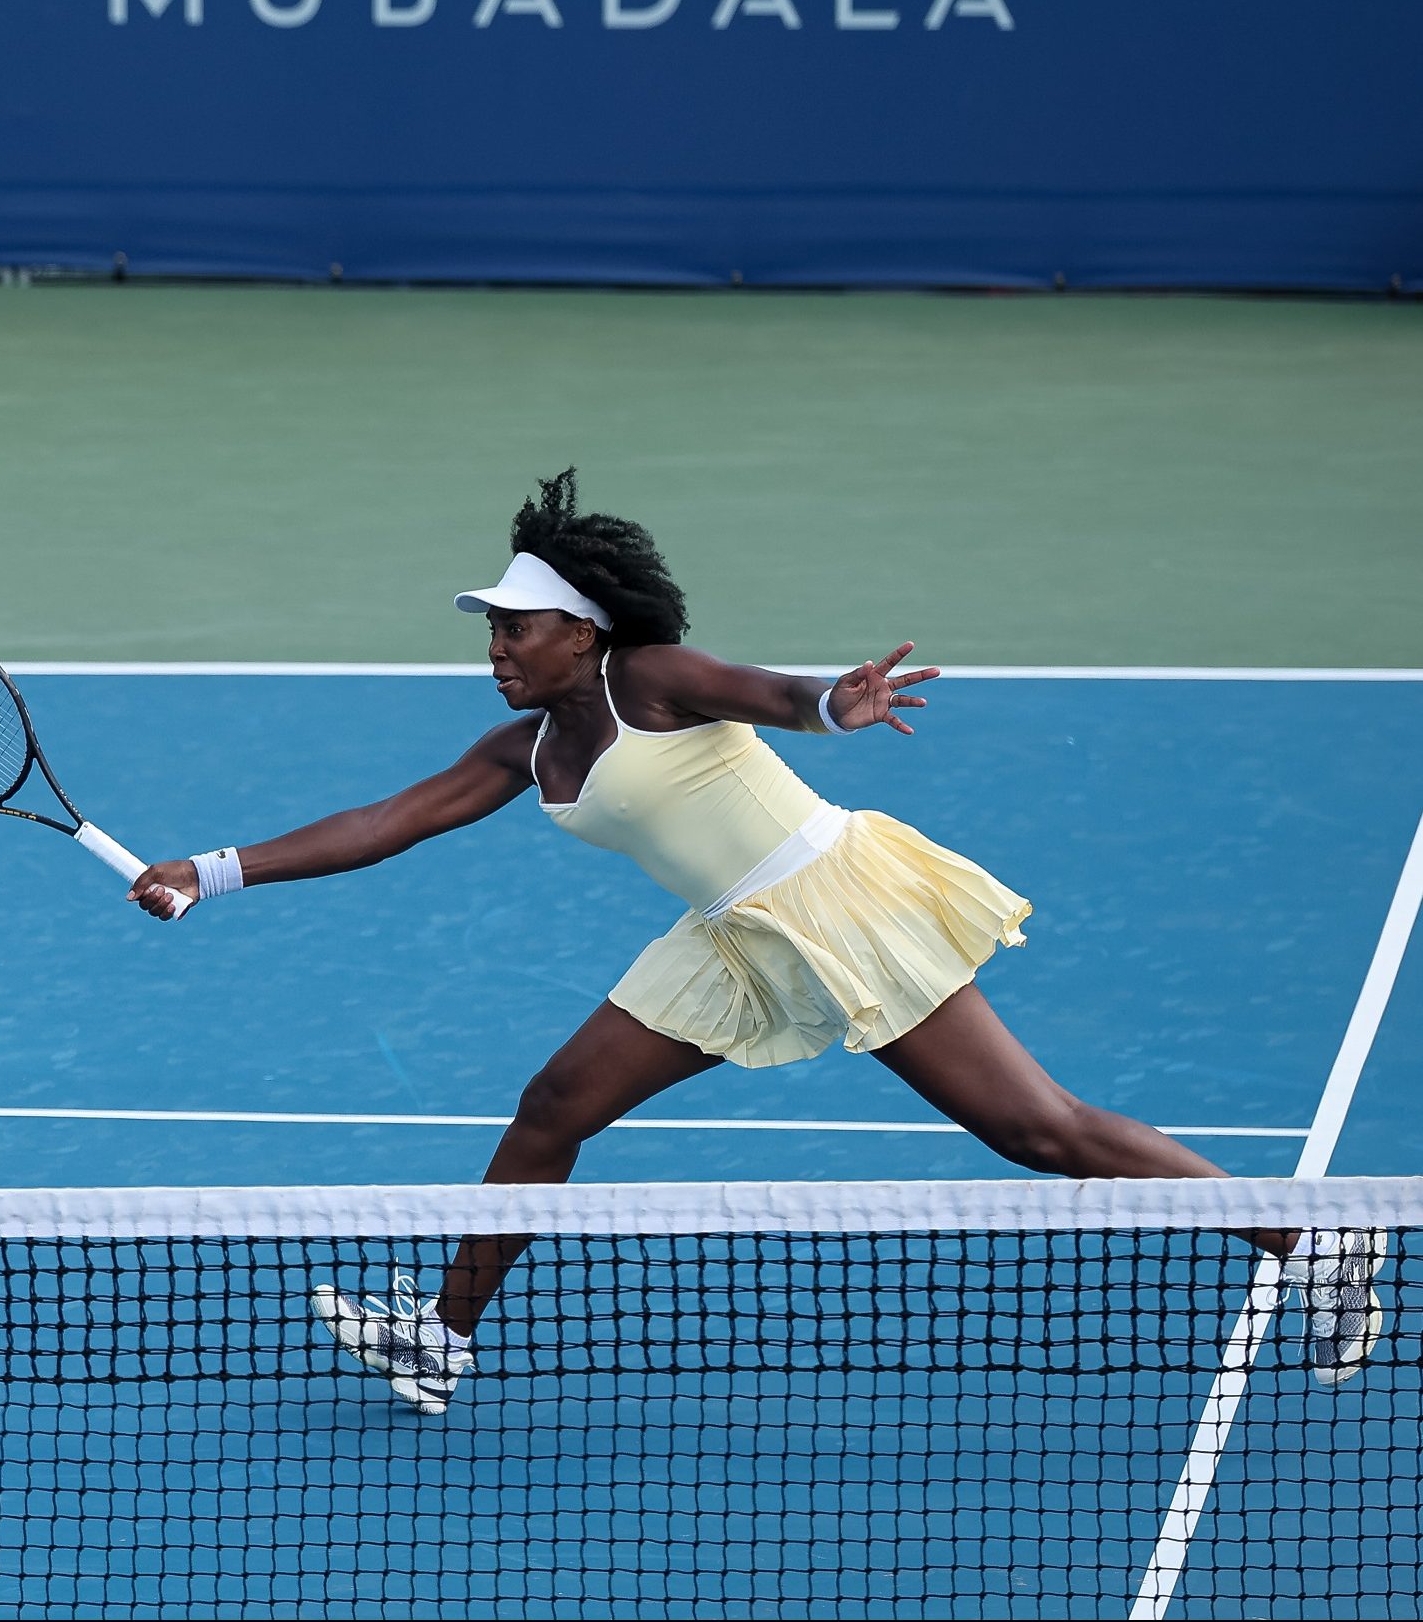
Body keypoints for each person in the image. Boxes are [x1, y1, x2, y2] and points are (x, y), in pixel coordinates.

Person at [128, 471, 1386, 1410]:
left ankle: (1314, 1240)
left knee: (1037, 1131)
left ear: (584, 632)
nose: (498, 647)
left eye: (519, 627)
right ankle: (443, 1335)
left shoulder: (655, 677)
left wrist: (838, 703)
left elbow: (778, 694)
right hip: (730, 937)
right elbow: (386, 822)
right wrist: (213, 870)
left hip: (837, 900)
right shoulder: (523, 749)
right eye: (493, 628)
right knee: (556, 1103)